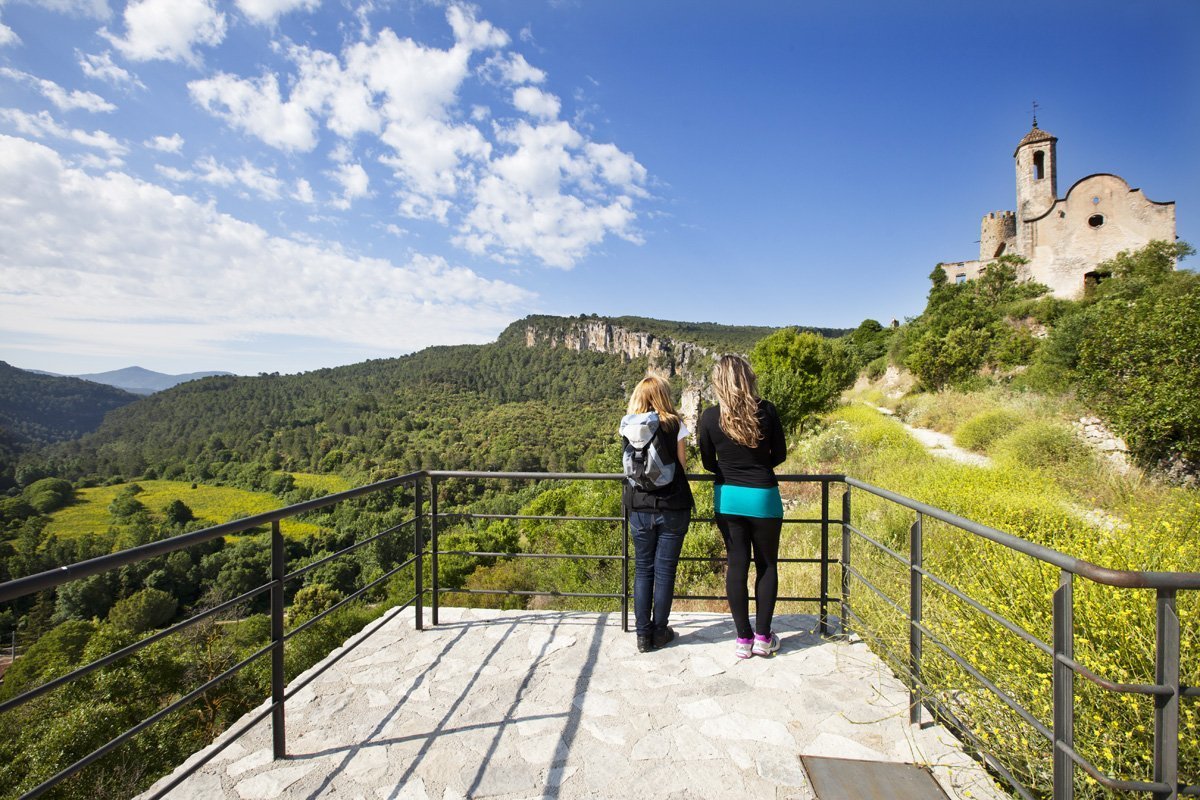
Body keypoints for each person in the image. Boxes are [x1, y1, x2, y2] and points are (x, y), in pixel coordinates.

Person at [698, 355, 787, 658]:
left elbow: (708, 462)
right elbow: (780, 454)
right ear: (748, 377)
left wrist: (731, 468)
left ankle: (742, 639)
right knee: (767, 564)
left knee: (737, 565)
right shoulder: (767, 411)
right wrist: (758, 465)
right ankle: (763, 638)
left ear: (718, 382)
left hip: (729, 497)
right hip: (763, 495)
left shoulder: (710, 417)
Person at [620, 375, 694, 653]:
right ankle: (660, 631)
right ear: (664, 395)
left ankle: (642, 636)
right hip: (673, 506)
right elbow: (682, 467)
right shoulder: (675, 424)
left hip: (638, 507)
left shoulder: (628, 426)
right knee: (664, 572)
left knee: (643, 569)